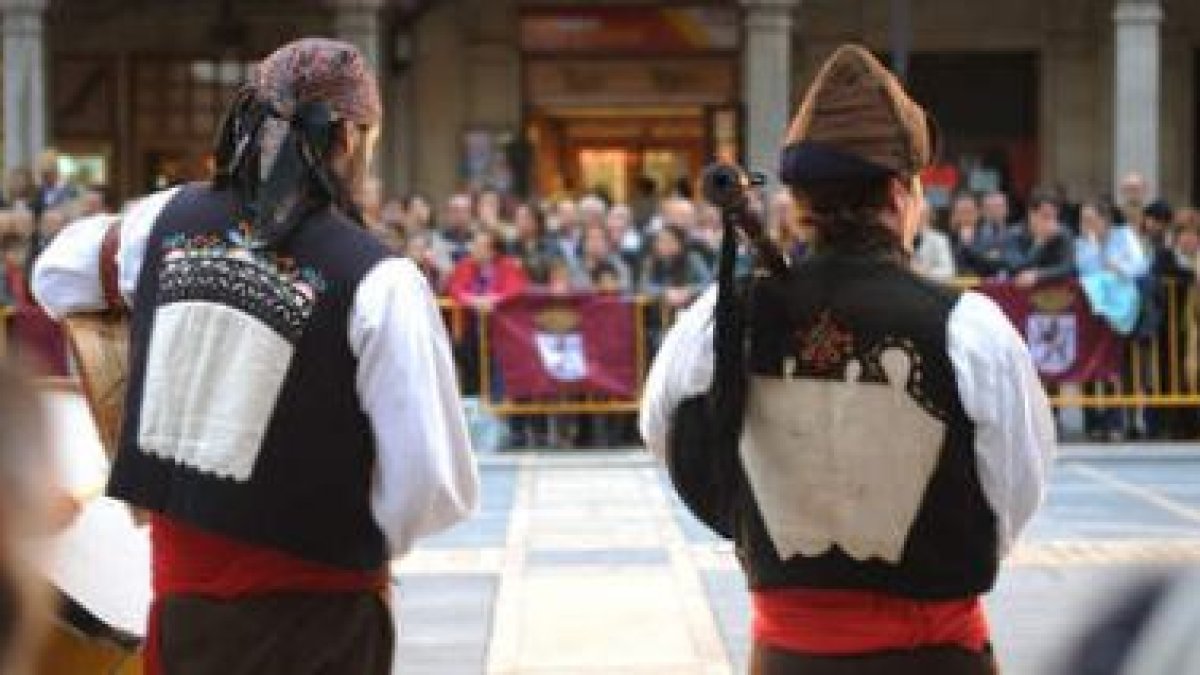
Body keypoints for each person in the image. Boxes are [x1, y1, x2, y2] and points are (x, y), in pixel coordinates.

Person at [32, 38, 478, 675]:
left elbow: (56, 275)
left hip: (187, 614)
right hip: (324, 620)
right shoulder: (380, 280)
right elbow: (429, 489)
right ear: (350, 140)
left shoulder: (159, 226)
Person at [641, 44, 1054, 674]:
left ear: (801, 202)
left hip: (785, 658)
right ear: (898, 193)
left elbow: (671, 436)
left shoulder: (718, 319)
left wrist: (755, 525)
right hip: (936, 658)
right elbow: (1013, 495)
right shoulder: (969, 330)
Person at [1075, 201, 1147, 441]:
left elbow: (1140, 266)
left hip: (1119, 310)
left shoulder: (1124, 235)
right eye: (1083, 219)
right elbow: (1083, 269)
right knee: (1088, 365)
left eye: (1091, 218)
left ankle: (1116, 421)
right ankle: (1092, 422)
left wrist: (1119, 267)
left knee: (1115, 367)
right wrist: (1094, 245)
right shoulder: (1082, 243)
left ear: (1105, 219)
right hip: (1089, 310)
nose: (1086, 224)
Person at [1005, 194, 1077, 289]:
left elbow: (1067, 267)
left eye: (1054, 217)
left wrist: (1037, 274)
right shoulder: (1014, 233)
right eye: (1046, 216)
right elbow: (1015, 267)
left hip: (1054, 291)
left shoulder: (1063, 233)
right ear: (1031, 214)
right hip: (1020, 292)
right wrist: (1039, 243)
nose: (1051, 222)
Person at [950, 193, 1008, 278]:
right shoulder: (946, 240)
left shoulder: (989, 238)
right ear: (955, 215)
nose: (966, 216)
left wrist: (968, 247)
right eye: (962, 212)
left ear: (978, 214)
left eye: (970, 211)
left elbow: (993, 265)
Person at [912, 200, 956, 280]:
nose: (918, 217)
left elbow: (948, 271)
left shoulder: (939, 239)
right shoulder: (898, 238)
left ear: (929, 216)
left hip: (925, 287)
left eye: (922, 214)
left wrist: (925, 272)